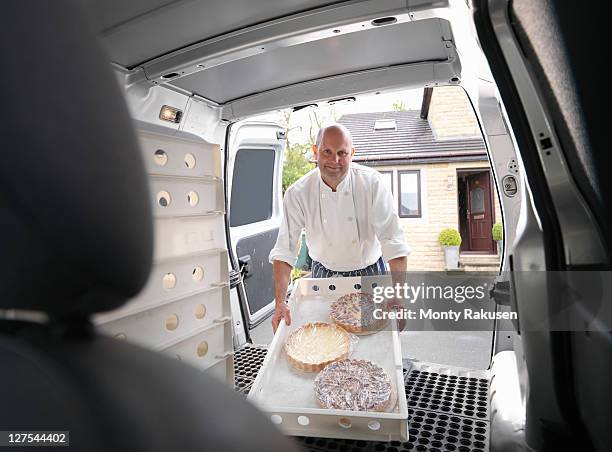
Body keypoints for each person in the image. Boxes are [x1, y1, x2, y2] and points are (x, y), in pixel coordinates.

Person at [269, 123, 410, 331]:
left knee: (376, 338)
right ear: (316, 152)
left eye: (342, 153)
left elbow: (393, 242)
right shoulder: (297, 193)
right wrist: (280, 302)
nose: (335, 161)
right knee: (326, 337)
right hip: (323, 274)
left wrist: (398, 295)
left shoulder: (373, 184)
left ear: (352, 154)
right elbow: (284, 250)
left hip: (371, 272)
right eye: (327, 152)